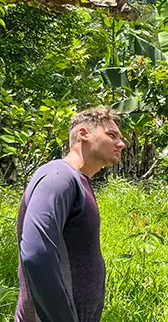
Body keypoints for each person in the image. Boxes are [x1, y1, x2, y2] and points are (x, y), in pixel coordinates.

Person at [16, 107, 126, 322]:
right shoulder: (59, 177)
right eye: (111, 135)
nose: (121, 144)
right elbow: (35, 252)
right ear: (83, 134)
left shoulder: (78, 180)